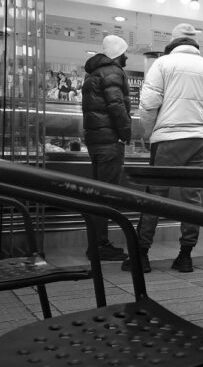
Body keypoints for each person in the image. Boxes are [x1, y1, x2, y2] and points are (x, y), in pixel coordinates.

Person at [124, 22, 203, 274]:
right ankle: (185, 256)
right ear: (194, 44)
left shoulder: (163, 64)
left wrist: (149, 135)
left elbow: (148, 104)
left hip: (168, 139)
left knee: (155, 196)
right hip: (198, 139)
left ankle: (141, 255)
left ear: (173, 42)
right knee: (192, 198)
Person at [81, 34, 132, 262]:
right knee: (106, 196)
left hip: (95, 141)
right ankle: (100, 245)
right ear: (118, 54)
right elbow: (116, 106)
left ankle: (96, 244)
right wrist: (126, 132)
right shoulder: (112, 72)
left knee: (98, 194)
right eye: (125, 53)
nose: (127, 57)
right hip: (109, 141)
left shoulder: (93, 73)